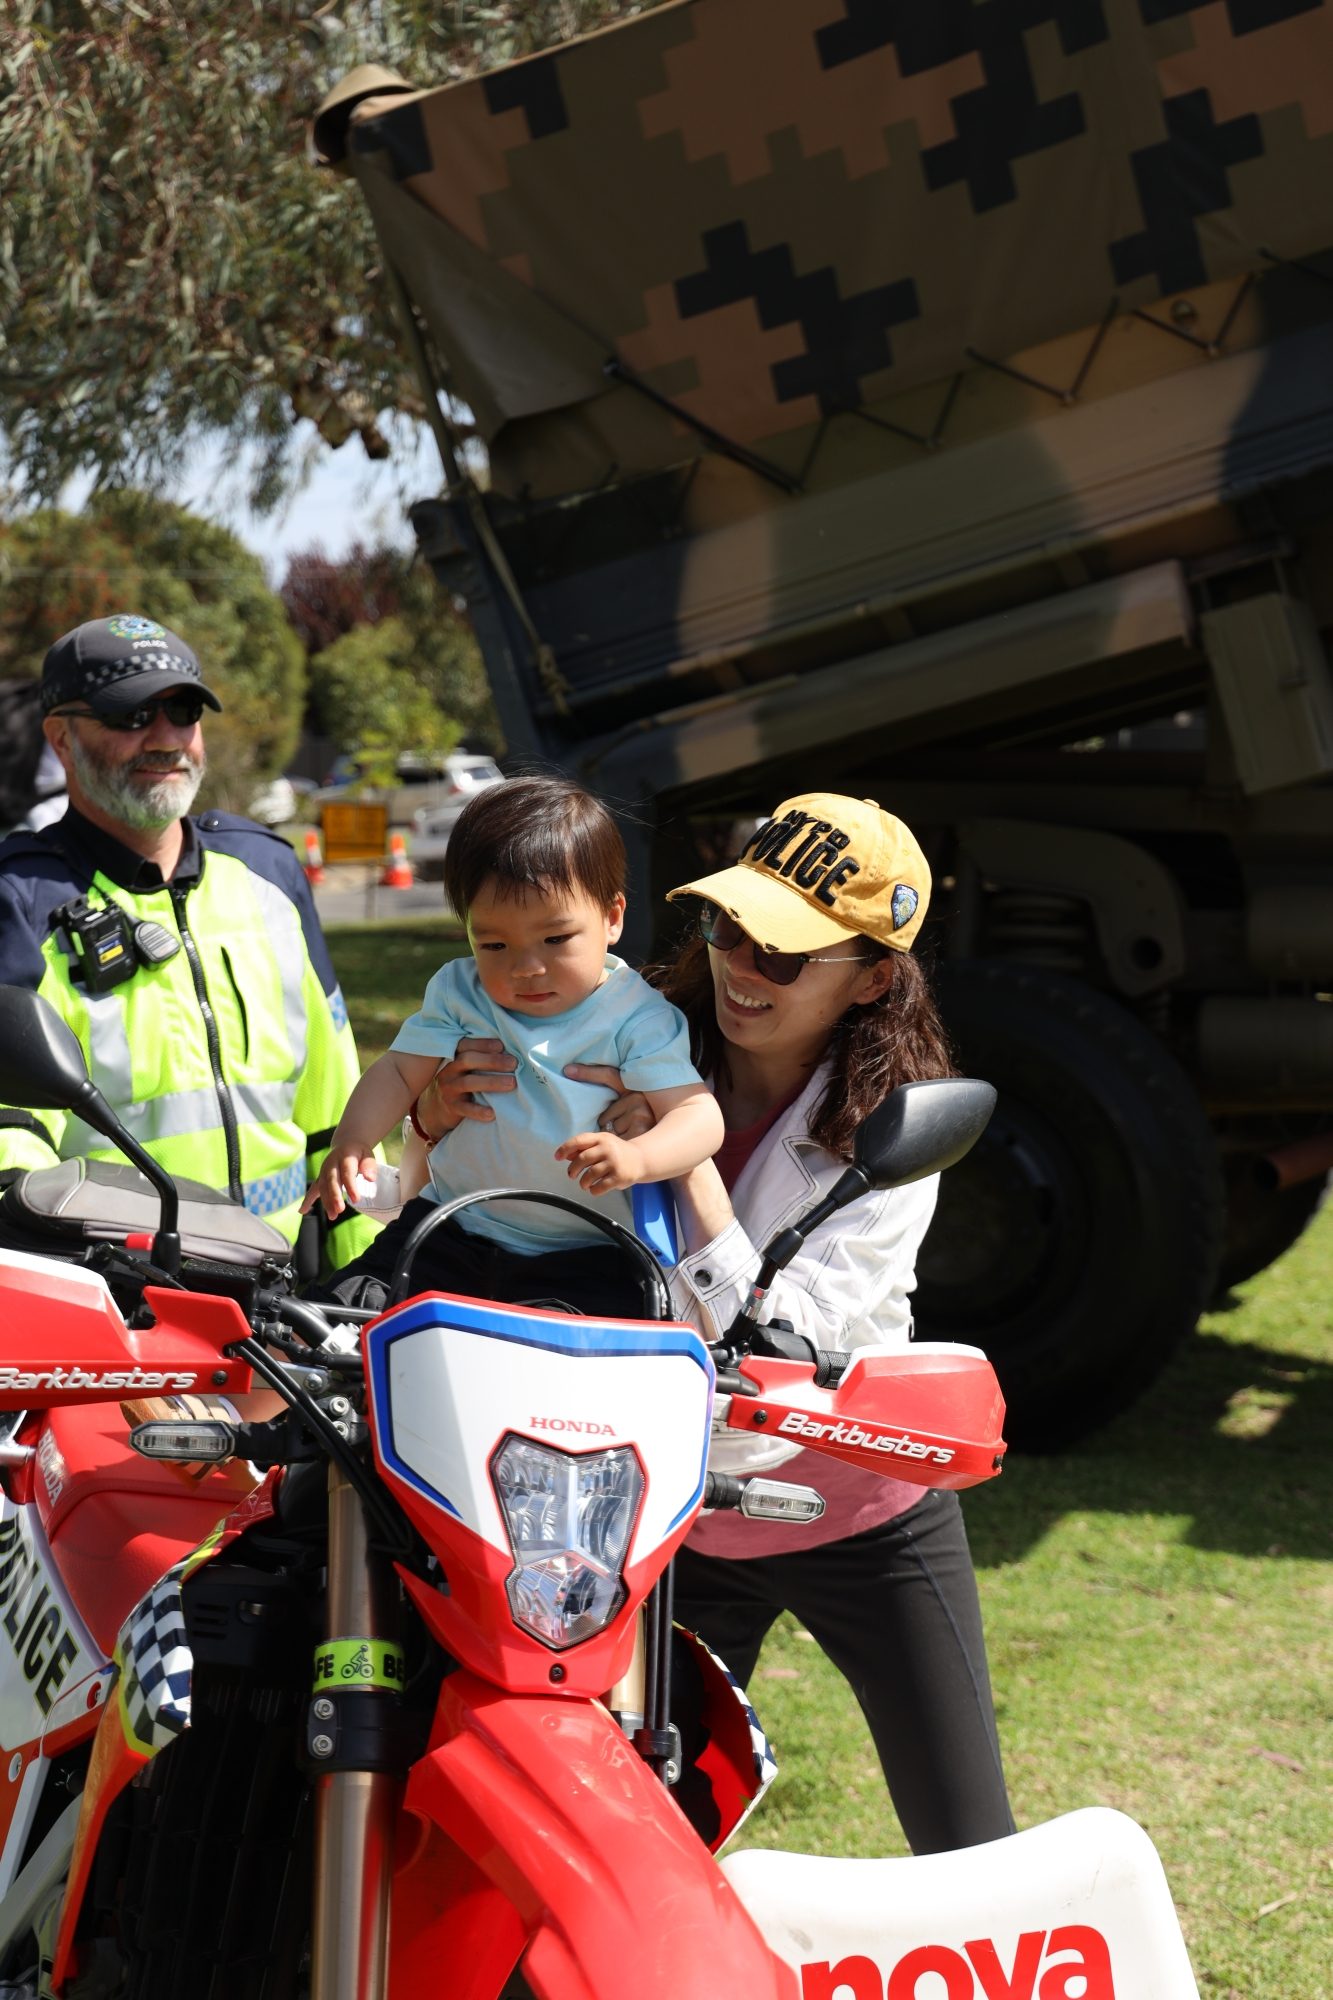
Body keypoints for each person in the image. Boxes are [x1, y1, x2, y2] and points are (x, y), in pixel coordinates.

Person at [422, 790, 1014, 1855]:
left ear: (874, 977)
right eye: (729, 928)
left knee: (968, 1835)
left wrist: (683, 1162)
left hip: (858, 1507)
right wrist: (428, 1121)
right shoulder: (616, 1026)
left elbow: (782, 1344)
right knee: (614, 1849)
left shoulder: (895, 1130)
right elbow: (433, 1197)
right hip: (666, 1502)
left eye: (783, 954)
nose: (741, 965)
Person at [0, 614, 378, 1275]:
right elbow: (12, 1137)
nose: (166, 737)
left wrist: (367, 1271)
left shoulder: (269, 870)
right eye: (132, 715)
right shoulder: (18, 897)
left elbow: (336, 1101)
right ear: (61, 738)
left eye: (182, 710)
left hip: (291, 1292)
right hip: (123, 1300)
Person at [304, 775, 723, 1316]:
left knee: (549, 1376)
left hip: (587, 1255)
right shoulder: (461, 992)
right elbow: (398, 1072)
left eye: (555, 939)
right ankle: (228, 1400)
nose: (526, 967)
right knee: (327, 1325)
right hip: (451, 1226)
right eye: (494, 943)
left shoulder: (635, 1017)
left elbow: (698, 1117)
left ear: (612, 918)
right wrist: (354, 1140)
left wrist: (638, 1156)